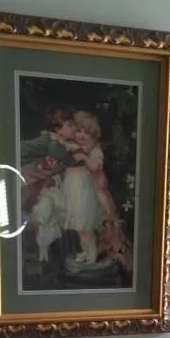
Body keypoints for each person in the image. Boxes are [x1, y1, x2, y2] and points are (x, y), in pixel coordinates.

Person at [63, 111, 116, 264]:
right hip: (74, 192)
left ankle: (92, 251)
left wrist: (85, 157)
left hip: (87, 193)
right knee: (80, 226)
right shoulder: (73, 147)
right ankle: (85, 251)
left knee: (86, 225)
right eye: (78, 131)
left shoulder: (95, 151)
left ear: (94, 136)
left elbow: (95, 167)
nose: (81, 135)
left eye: (86, 132)